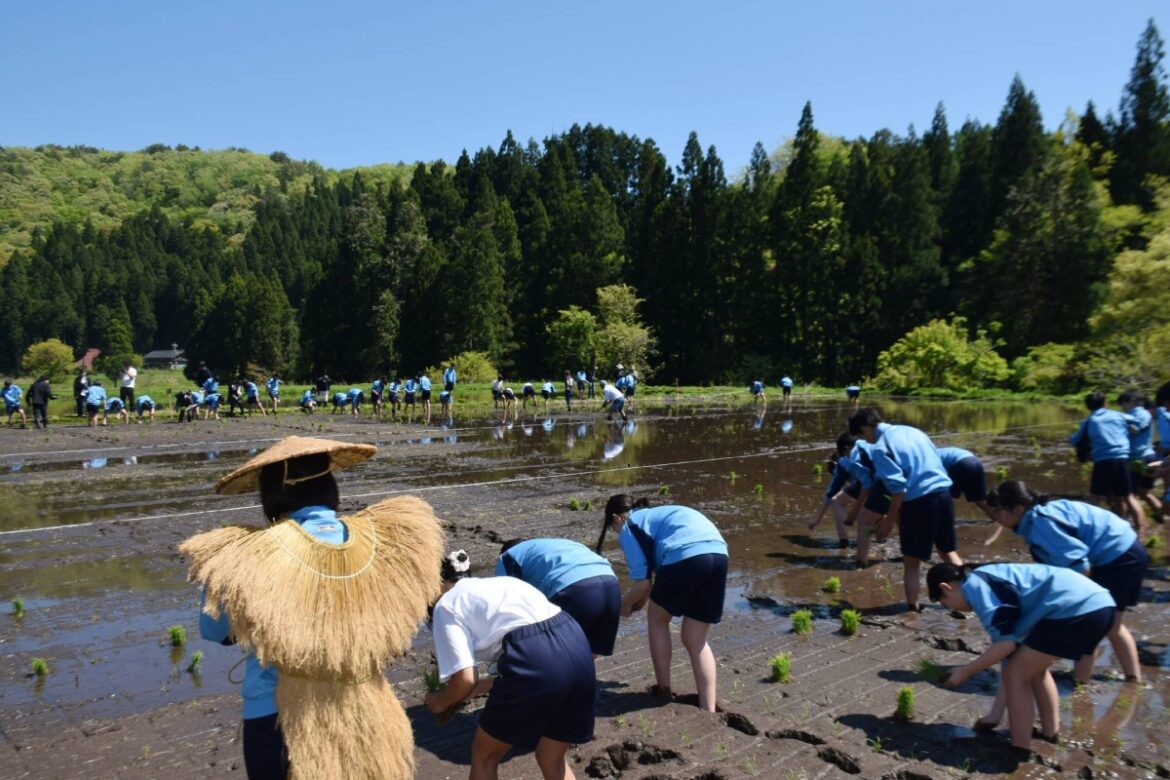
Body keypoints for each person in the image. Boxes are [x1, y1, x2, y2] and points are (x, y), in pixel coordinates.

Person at [182, 436, 444, 780]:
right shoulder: (388, 537)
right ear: (329, 484)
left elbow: (215, 630)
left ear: (272, 492)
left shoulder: (247, 553)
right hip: (368, 707)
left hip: (278, 716)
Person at [426, 555, 596, 780]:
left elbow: (466, 678)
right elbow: (531, 664)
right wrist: (473, 690)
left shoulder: (446, 605)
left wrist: (440, 701)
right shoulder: (495, 585)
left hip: (535, 655)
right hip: (576, 643)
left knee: (484, 756)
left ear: (437, 586)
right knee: (551, 757)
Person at [929, 562, 1115, 752]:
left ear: (946, 587)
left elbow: (1006, 645)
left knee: (1016, 675)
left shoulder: (976, 588)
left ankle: (1019, 748)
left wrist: (965, 671)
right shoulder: (984, 578)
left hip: (1077, 608)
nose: (951, 608)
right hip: (1099, 603)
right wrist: (994, 715)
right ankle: (1050, 732)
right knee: (1032, 668)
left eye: (945, 603)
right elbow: (1009, 652)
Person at [986, 481, 1147, 683]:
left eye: (997, 511)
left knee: (1094, 621)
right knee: (1111, 622)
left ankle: (1080, 682)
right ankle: (1133, 679)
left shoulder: (1042, 524)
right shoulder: (1038, 515)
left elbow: (1081, 568)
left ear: (1018, 508)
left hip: (1118, 557)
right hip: (1126, 549)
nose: (994, 517)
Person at [596, 495, 728, 711]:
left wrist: (624, 604)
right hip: (718, 553)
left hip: (686, 555)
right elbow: (653, 581)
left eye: (614, 528)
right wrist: (641, 600)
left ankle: (663, 690)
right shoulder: (655, 517)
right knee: (696, 640)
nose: (617, 532)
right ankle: (708, 708)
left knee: (657, 620)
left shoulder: (629, 526)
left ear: (616, 518)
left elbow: (643, 583)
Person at [849, 407, 961, 611]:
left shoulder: (881, 447)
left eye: (861, 435)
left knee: (911, 563)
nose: (864, 441)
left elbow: (899, 489)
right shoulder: (913, 431)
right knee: (947, 551)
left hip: (919, 502)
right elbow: (936, 458)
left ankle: (912, 608)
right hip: (943, 493)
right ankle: (973, 595)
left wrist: (889, 520)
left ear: (865, 428)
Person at [496, 538, 621, 658]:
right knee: (591, 647)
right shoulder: (548, 547)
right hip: (611, 582)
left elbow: (508, 604)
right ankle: (581, 678)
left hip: (576, 587)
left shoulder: (507, 557)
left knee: (546, 645)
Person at [1069, 391, 1146, 536]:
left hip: (1103, 461)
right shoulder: (1118, 415)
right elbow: (1136, 421)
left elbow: (1074, 441)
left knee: (1094, 498)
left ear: (1088, 407)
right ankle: (1141, 532)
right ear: (1105, 403)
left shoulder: (1089, 421)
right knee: (1127, 497)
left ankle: (1087, 533)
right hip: (1123, 459)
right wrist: (1132, 429)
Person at [808, 432, 856, 548]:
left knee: (837, 501)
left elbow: (830, 494)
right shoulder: (867, 447)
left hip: (868, 488)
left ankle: (844, 539)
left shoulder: (844, 462)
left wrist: (817, 519)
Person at [1119, 390, 1161, 516]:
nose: (1122, 408)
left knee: (1131, 495)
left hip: (1139, 459)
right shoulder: (1140, 414)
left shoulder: (1141, 414)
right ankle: (1162, 518)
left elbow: (1135, 430)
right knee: (1144, 493)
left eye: (1122, 404)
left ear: (1130, 402)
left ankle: (1135, 526)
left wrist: (1118, 422)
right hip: (1148, 456)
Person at [935, 447, 996, 521]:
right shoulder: (936, 452)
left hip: (960, 464)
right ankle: (998, 517)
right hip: (975, 462)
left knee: (945, 496)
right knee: (980, 500)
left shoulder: (929, 458)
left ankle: (944, 521)